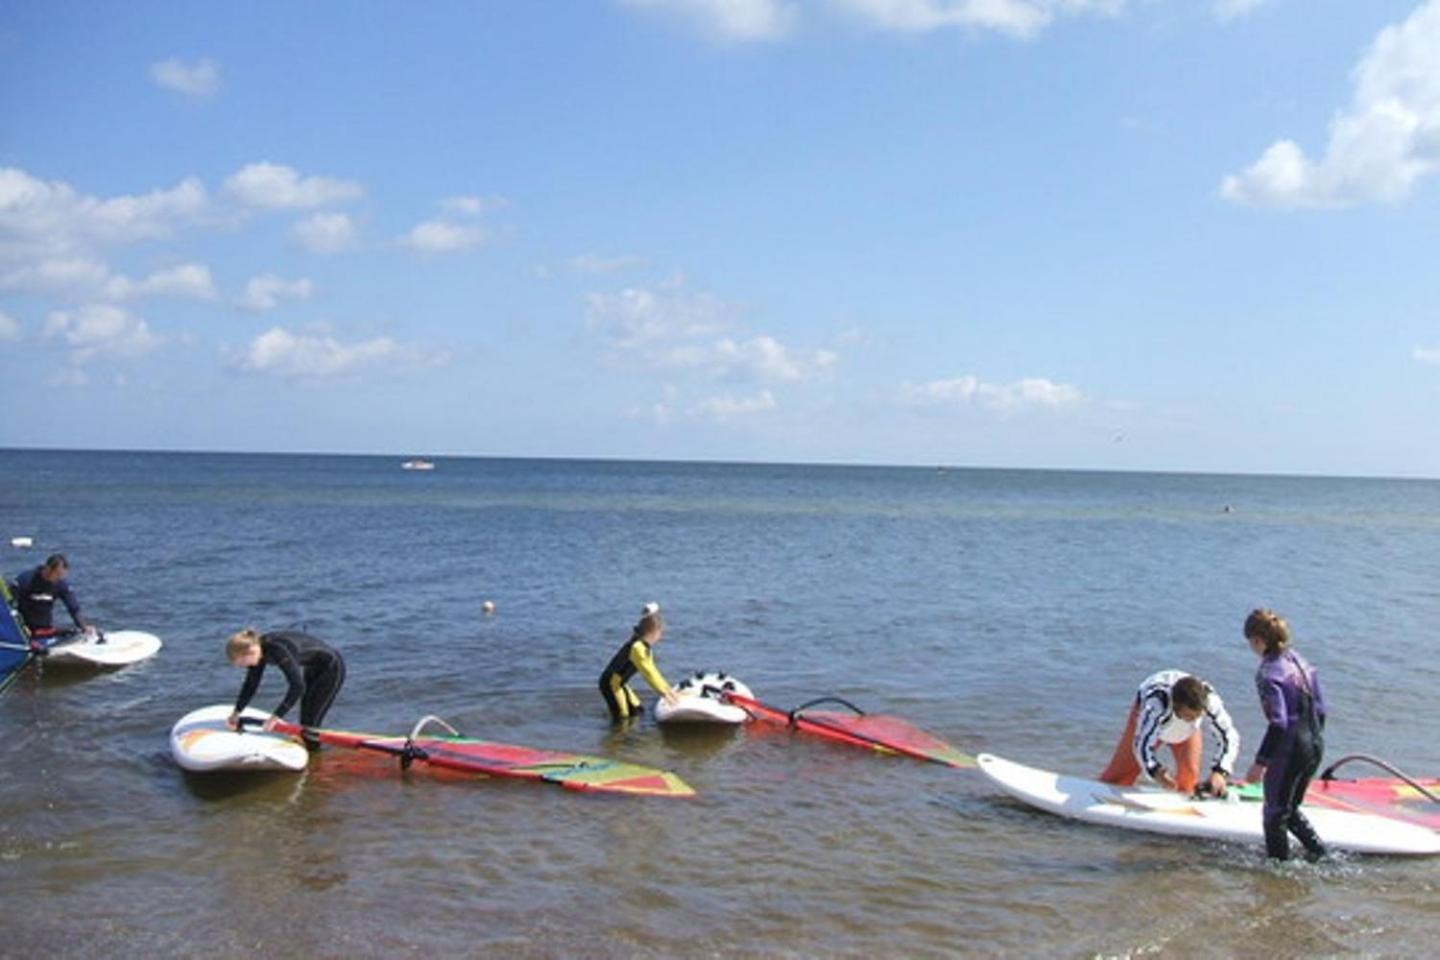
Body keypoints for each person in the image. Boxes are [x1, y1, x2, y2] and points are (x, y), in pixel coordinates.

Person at [1242, 608, 1328, 861]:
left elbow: (1279, 723)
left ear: (1258, 640)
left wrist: (1260, 762)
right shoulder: (1302, 663)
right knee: (1288, 812)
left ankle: (1278, 873)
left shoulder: (1269, 673)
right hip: (1314, 745)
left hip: (1289, 750)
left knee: (1273, 815)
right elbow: (1321, 709)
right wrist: (1310, 743)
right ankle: (1321, 856)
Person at [1098, 669, 1240, 796]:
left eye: (1197, 716)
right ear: (1176, 707)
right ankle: (1098, 794)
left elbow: (1230, 736)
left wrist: (1220, 772)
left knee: (1189, 774)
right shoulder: (1156, 705)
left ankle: (1184, 809)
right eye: (1188, 716)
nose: (1192, 720)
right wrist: (1156, 771)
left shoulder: (1209, 702)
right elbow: (1141, 744)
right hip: (1151, 721)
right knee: (1120, 775)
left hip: (1185, 732)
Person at [225, 628, 346, 742]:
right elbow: (251, 685)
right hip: (312, 667)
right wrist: (236, 712)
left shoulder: (277, 649)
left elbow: (297, 687)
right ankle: (312, 752)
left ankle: (314, 755)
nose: (244, 667)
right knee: (305, 720)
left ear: (249, 652)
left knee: (311, 724)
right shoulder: (258, 652)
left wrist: (275, 718)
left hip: (331, 668)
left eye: (242, 663)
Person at [598, 603, 680, 721]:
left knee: (638, 711)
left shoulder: (644, 646)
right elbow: (649, 674)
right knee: (623, 717)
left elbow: (654, 671)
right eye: (661, 633)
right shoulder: (638, 648)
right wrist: (665, 694)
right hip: (611, 685)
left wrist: (669, 690)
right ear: (655, 632)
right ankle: (616, 738)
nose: (660, 637)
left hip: (620, 683)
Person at [9, 553, 94, 643]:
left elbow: (73, 608)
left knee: (74, 633)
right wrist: (19, 627)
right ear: (48, 568)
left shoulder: (60, 584)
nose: (59, 578)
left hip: (44, 630)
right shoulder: (26, 579)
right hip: (23, 630)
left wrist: (83, 626)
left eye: (61, 575)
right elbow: (9, 605)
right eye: (57, 574)